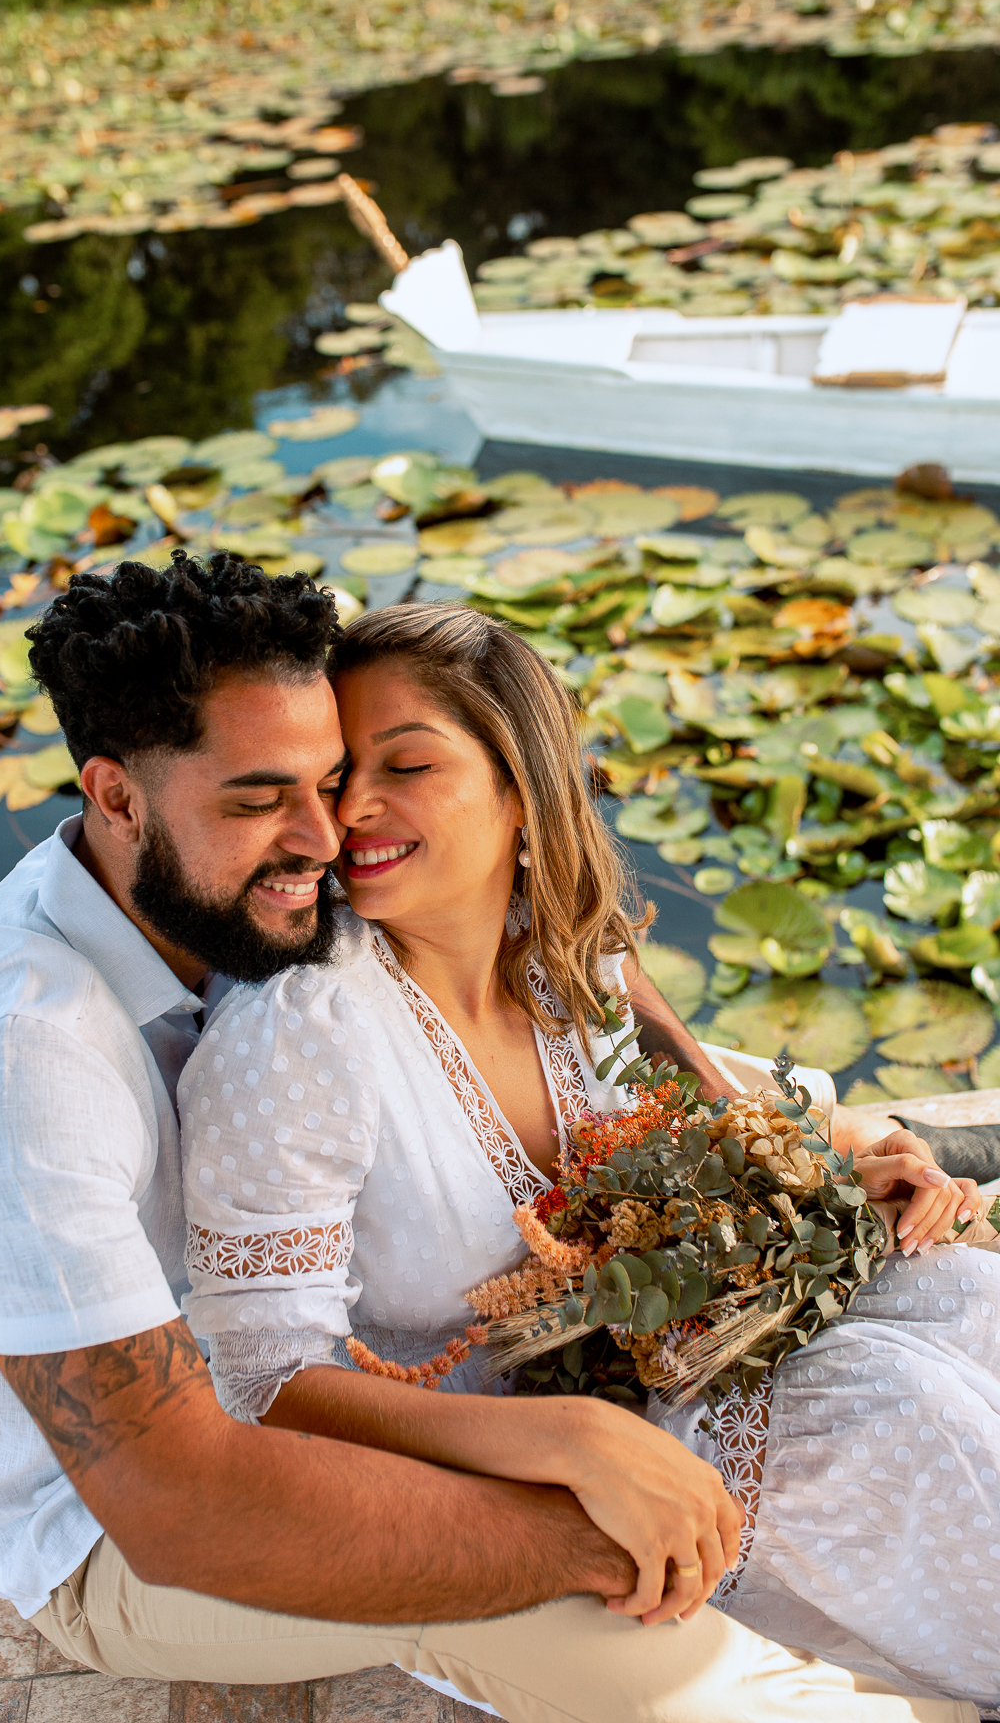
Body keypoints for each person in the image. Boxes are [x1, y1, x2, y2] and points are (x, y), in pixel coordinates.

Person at [180, 599, 994, 1717]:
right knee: (898, 1411)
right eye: (335, 776)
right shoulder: (301, 1035)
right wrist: (570, 1437)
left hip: (683, 1348)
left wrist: (837, 1184)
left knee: (963, 1296)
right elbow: (262, 1385)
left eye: (402, 766)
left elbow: (702, 1134)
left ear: (519, 783)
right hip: (516, 1454)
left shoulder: (567, 957)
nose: (347, 813)